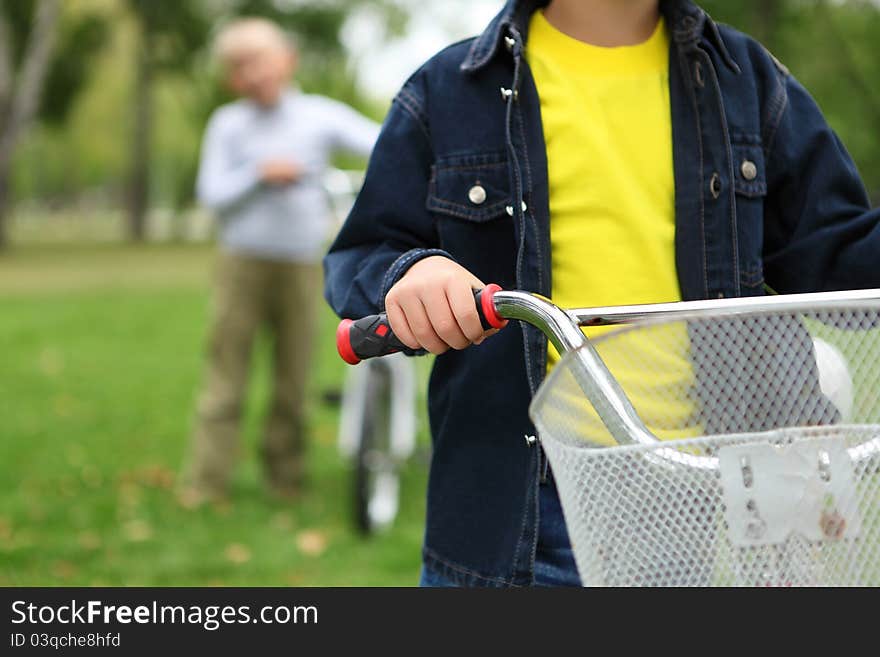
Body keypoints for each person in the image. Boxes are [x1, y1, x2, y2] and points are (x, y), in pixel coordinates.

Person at [324, 0, 880, 586]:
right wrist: (412, 274)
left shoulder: (746, 79)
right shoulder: (449, 90)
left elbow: (837, 254)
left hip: (698, 492)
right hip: (520, 505)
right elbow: (365, 252)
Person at [180, 18, 380, 506]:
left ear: (286, 61)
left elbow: (383, 143)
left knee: (293, 378)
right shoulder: (227, 124)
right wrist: (258, 173)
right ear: (232, 78)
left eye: (261, 59)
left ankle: (286, 478)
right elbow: (212, 193)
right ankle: (206, 484)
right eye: (240, 66)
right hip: (241, 264)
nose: (254, 73)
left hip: (300, 266)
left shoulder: (319, 116)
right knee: (226, 378)